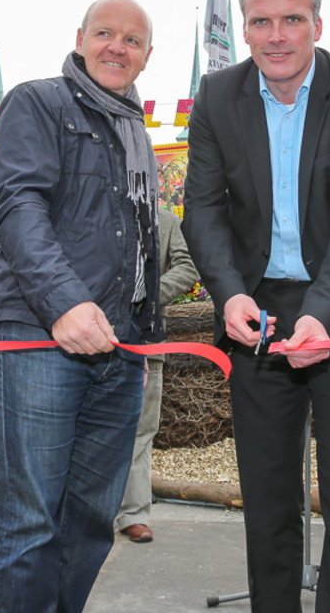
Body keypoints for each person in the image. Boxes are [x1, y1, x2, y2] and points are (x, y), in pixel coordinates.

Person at [182, 0, 330, 613]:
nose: (277, 35)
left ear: (318, 24)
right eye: (261, 21)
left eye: (292, 19)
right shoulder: (216, 96)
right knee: (267, 496)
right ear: (244, 29)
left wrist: (323, 315)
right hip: (255, 313)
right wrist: (229, 294)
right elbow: (203, 209)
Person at [0, 0, 161, 612]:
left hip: (119, 346)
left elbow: (139, 242)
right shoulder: (38, 101)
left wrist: (140, 336)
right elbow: (19, 206)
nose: (117, 47)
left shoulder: (135, 130)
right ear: (80, 38)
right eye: (105, 33)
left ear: (147, 55)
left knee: (89, 520)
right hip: (39, 335)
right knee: (24, 521)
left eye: (132, 40)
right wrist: (64, 304)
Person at [116, 206, 199, 544]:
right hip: (92, 337)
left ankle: (134, 513)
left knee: (142, 430)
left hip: (148, 338)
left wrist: (148, 294)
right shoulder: (99, 211)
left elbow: (189, 267)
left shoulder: (165, 220)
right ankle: (89, 512)